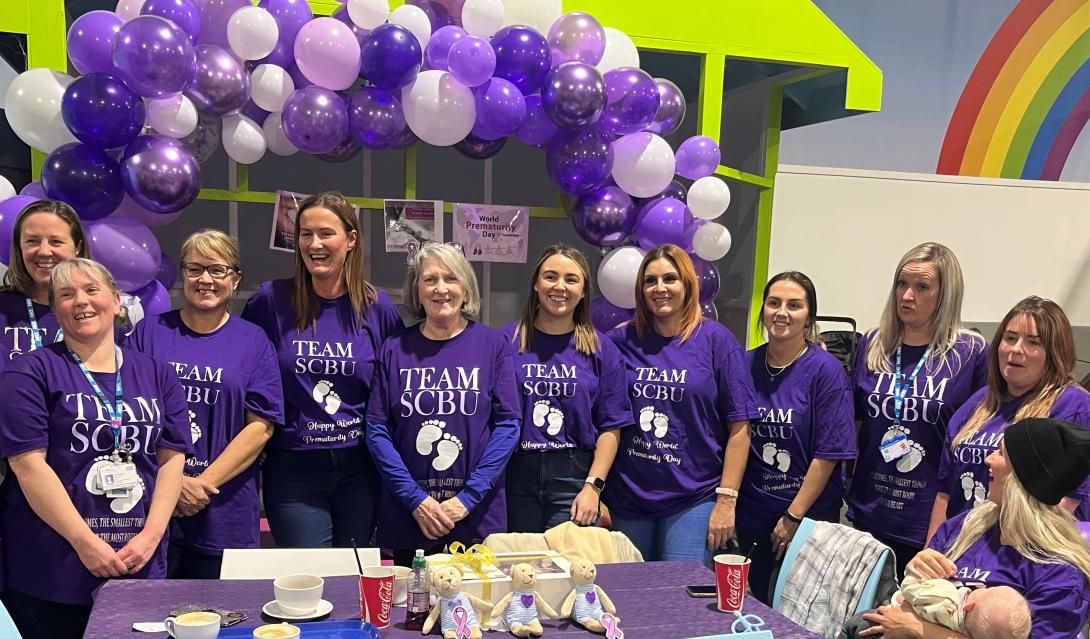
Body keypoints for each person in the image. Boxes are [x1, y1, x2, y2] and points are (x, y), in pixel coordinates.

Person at [0, 258, 190, 639]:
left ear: (117, 301)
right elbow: (28, 465)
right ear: (55, 309)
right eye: (66, 294)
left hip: (141, 559)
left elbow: (171, 460)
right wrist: (86, 544)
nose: (81, 302)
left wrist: (151, 537)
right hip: (55, 566)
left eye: (91, 290)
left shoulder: (157, 372)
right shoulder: (29, 373)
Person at [242, 192, 403, 548]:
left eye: (326, 233)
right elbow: (243, 371)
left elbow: (395, 388)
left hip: (360, 468)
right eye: (305, 233)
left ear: (351, 239)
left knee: (350, 578)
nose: (314, 244)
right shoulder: (271, 301)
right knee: (312, 576)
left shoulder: (378, 308)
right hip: (293, 469)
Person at [128, 230, 285, 578]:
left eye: (217, 269)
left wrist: (198, 485)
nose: (205, 280)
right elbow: (128, 415)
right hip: (151, 509)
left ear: (235, 278)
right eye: (195, 268)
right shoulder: (148, 334)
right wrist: (173, 483)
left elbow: (260, 428)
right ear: (182, 274)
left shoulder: (254, 341)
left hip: (224, 510)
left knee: (224, 622)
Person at [858, 417, 1090, 638]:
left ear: (1021, 478)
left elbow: (908, 623)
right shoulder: (964, 527)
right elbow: (911, 601)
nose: (988, 459)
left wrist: (919, 630)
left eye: (1000, 453)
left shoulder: (1059, 576)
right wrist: (916, 568)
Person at [365, 243, 521, 561]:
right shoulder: (394, 348)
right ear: (417, 291)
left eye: (450, 278)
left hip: (476, 514)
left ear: (466, 288)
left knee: (477, 608)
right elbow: (377, 429)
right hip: (410, 513)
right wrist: (415, 499)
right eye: (429, 280)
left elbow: (508, 425)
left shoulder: (494, 345)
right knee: (414, 608)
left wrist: (468, 497)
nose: (441, 289)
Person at [605, 244, 758, 562]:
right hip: (629, 497)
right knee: (628, 599)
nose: (659, 289)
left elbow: (741, 427)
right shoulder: (620, 342)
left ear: (688, 284)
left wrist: (727, 500)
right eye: (650, 281)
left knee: (679, 601)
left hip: (692, 496)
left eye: (670, 279)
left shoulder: (717, 341)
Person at [848, 242, 988, 577]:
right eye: (901, 284)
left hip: (929, 520)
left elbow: (979, 436)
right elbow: (856, 422)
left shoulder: (970, 352)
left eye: (921, 287)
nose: (906, 296)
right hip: (869, 510)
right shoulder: (874, 343)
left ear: (945, 295)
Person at [738, 271, 857, 603]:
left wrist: (794, 516)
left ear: (809, 317)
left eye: (794, 305)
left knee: (800, 608)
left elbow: (830, 452)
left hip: (809, 517)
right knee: (756, 604)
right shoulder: (744, 365)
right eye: (774, 303)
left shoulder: (826, 372)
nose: (782, 312)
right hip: (753, 513)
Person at [930, 296, 1090, 539]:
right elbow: (944, 492)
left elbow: (1066, 502)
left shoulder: (1074, 405)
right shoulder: (978, 403)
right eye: (1010, 338)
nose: (1016, 349)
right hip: (959, 548)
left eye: (1033, 342)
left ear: (1055, 352)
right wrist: (930, 550)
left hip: (1019, 557)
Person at [501, 245, 631, 532]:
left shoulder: (601, 349)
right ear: (536, 283)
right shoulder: (505, 341)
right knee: (517, 568)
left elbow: (611, 428)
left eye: (571, 279)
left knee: (569, 570)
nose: (560, 286)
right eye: (550, 277)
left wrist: (593, 488)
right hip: (514, 474)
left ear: (583, 291)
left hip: (573, 479)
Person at [0, 200, 90, 368]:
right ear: (19, 248)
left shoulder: (100, 311)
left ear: (77, 246)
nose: (44, 251)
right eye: (32, 241)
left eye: (56, 241)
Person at [841, 580, 1031, 639]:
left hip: (885, 624)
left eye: (988, 589)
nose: (982, 587)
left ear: (969, 605)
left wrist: (920, 575)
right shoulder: (973, 631)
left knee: (860, 624)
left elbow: (910, 589)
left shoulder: (947, 599)